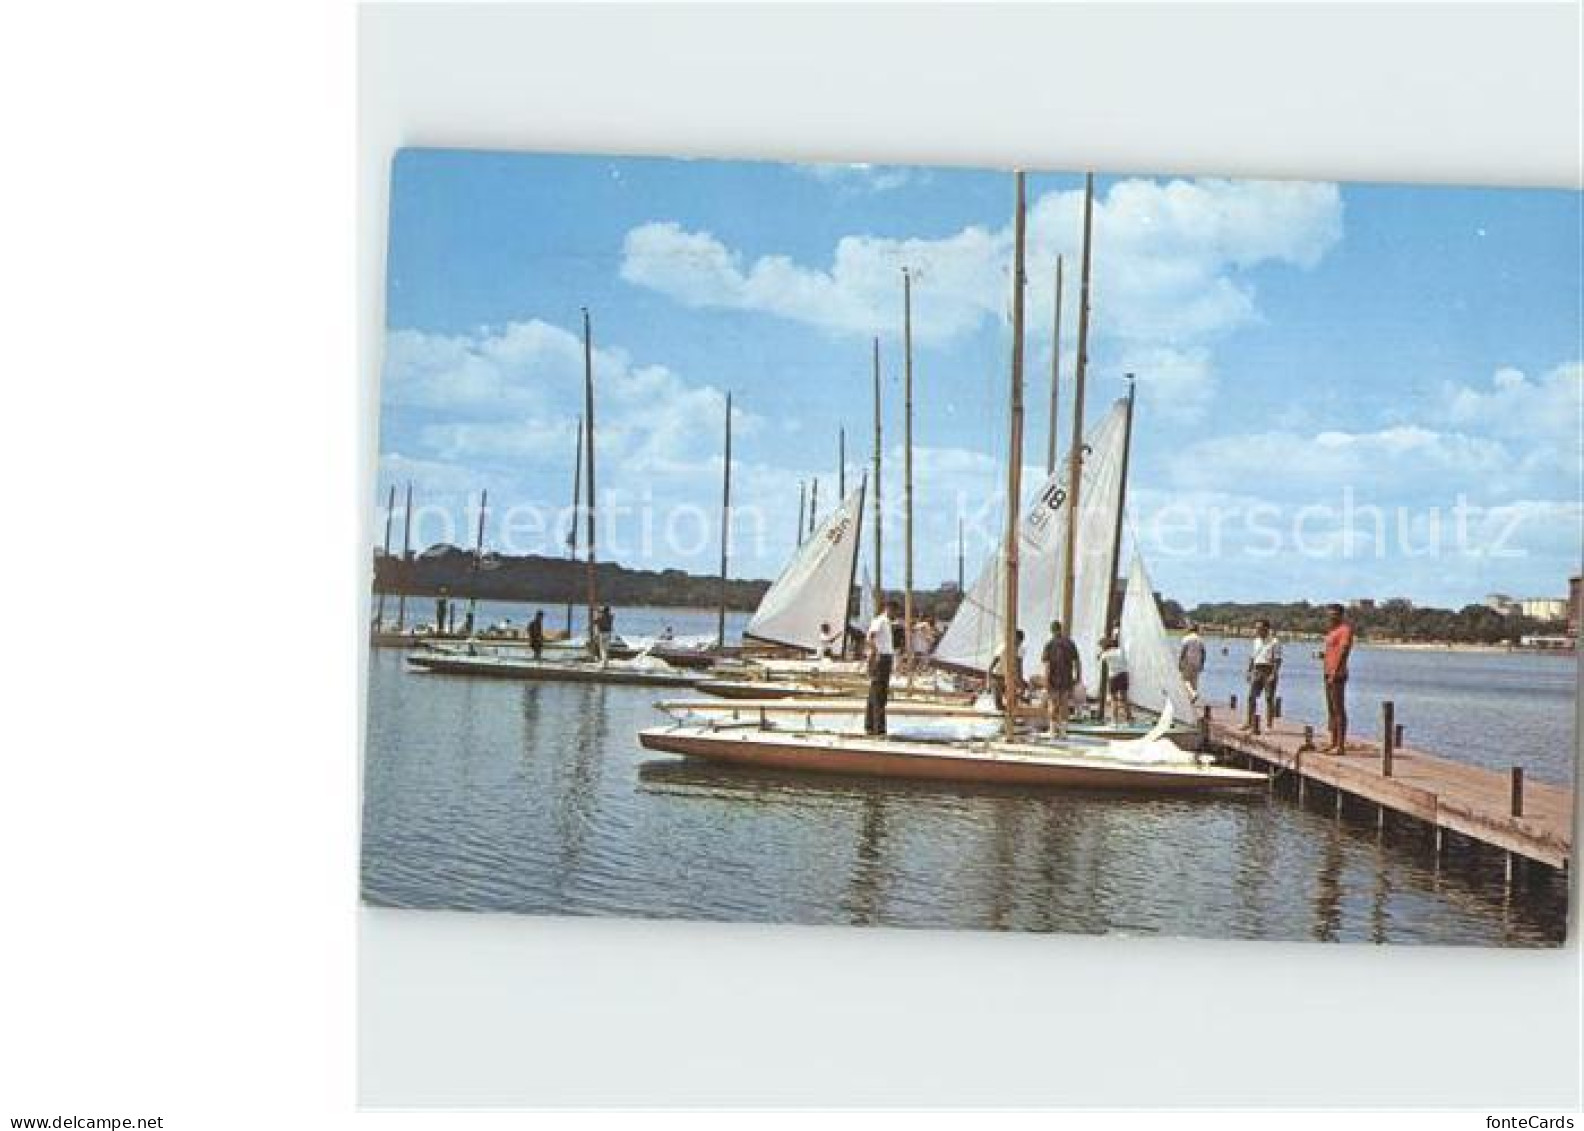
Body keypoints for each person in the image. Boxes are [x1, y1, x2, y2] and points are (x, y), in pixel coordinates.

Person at [1319, 603, 1354, 755]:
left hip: (1337, 674)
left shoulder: (1345, 630)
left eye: (1333, 615)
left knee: (1339, 709)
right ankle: (1333, 742)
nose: (1330, 617)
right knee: (1331, 710)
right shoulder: (1331, 631)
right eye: (1328, 615)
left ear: (1340, 615)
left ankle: (1340, 746)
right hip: (1327, 672)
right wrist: (1323, 656)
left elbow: (1344, 651)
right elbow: (1332, 651)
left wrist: (1335, 671)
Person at [864, 598, 900, 736]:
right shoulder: (880, 621)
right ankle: (878, 728)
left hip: (886, 657)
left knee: (875, 693)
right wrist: (875, 652)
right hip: (882, 658)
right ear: (889, 608)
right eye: (895, 612)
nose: (895, 615)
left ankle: (871, 725)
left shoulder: (886, 622)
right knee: (879, 694)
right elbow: (870, 637)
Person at [1041, 620, 1081, 738]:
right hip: (1067, 678)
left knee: (1053, 704)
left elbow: (1047, 665)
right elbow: (1077, 662)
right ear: (1061, 629)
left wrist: (1046, 680)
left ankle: (1053, 731)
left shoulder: (1049, 644)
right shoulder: (1070, 643)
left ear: (1051, 630)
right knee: (1064, 704)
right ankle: (1063, 732)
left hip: (1053, 678)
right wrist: (1078, 676)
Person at [1240, 619, 1283, 732]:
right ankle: (1249, 722)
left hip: (1269, 669)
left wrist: (1274, 673)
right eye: (1256, 628)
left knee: (1269, 698)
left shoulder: (1274, 642)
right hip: (1257, 669)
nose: (1257, 630)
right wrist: (1249, 671)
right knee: (1251, 697)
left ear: (1266, 629)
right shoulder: (1256, 641)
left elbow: (1278, 659)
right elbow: (1252, 657)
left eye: (1260, 628)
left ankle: (1269, 725)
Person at [988, 629, 1026, 713]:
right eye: (1018, 641)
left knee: (1011, 704)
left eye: (1019, 642)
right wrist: (988, 682)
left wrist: (1020, 684)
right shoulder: (1003, 647)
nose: (1018, 643)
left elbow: (1019, 668)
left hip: (1008, 678)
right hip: (998, 678)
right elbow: (991, 666)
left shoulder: (1020, 650)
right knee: (999, 706)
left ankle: (1011, 714)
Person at [1097, 632, 1132, 723]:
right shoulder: (1120, 651)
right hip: (1123, 675)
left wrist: (1103, 651)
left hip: (1113, 677)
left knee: (1114, 699)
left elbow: (1099, 658)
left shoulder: (1106, 654)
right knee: (1124, 698)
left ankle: (1114, 720)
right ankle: (1129, 717)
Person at [1177, 622, 1206, 702]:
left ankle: (1193, 694)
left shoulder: (1186, 638)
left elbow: (1183, 651)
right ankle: (1192, 700)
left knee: (1185, 680)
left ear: (1190, 629)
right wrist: (1202, 664)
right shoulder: (1200, 640)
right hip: (1197, 663)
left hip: (1187, 662)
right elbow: (1203, 652)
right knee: (1194, 683)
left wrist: (1180, 662)